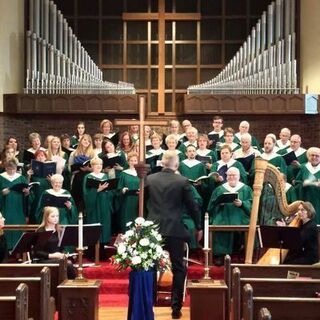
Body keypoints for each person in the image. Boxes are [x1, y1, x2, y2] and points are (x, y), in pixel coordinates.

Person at [145, 150, 202, 319]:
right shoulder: (182, 181)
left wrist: (142, 224)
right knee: (178, 268)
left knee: (150, 268)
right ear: (176, 165)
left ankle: (149, 304)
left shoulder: (150, 179)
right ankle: (176, 308)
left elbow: (140, 204)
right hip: (175, 230)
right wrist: (198, 226)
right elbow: (193, 206)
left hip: (153, 230)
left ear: (162, 163)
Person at [207, 167, 253, 265]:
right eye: (229, 175)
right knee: (218, 222)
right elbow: (211, 205)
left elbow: (252, 204)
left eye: (234, 175)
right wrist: (219, 203)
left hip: (240, 215)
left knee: (245, 224)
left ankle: (243, 253)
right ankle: (221, 255)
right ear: (226, 177)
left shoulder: (246, 189)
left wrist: (242, 204)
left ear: (239, 176)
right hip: (222, 214)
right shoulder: (219, 189)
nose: (232, 177)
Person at [33, 206, 76, 278]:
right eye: (53, 216)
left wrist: (64, 254)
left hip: (57, 259)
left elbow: (61, 248)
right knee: (68, 264)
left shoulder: (59, 230)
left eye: (57, 216)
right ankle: (71, 286)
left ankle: (69, 285)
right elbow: (37, 252)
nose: (56, 218)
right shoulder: (41, 231)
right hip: (44, 260)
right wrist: (53, 255)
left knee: (69, 262)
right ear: (46, 217)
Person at [83, 158, 113, 259]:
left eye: (100, 164)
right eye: (96, 165)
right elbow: (86, 193)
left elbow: (111, 191)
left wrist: (108, 191)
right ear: (92, 166)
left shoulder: (105, 176)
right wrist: (97, 190)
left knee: (104, 226)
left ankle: (102, 252)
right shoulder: (88, 177)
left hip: (104, 204)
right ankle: (91, 253)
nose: (99, 166)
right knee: (94, 226)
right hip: (94, 206)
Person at [0, 160, 29, 249]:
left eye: (13, 169)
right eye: (9, 169)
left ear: (16, 168)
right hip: (5, 207)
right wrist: (2, 193)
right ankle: (5, 250)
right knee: (6, 227)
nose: (12, 171)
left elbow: (28, 196)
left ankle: (18, 250)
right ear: (5, 168)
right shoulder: (1, 178)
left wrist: (27, 193)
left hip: (19, 208)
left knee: (18, 227)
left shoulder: (21, 178)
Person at [68, 134, 95, 210]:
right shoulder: (74, 153)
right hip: (77, 178)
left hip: (88, 178)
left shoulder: (93, 154)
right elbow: (70, 167)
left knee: (86, 199)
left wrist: (88, 169)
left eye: (89, 141)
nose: (87, 142)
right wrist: (73, 171)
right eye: (85, 140)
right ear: (81, 140)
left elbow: (96, 167)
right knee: (77, 199)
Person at [295, 147, 320, 224]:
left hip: (318, 201)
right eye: (312, 155)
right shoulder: (303, 167)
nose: (314, 157)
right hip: (305, 199)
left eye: (317, 156)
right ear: (308, 156)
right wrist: (302, 184)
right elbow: (296, 183)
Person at [117, 152, 140, 233]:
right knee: (127, 220)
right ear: (128, 162)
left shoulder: (141, 173)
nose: (133, 162)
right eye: (131, 160)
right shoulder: (124, 173)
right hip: (127, 200)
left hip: (138, 200)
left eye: (135, 160)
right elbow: (119, 187)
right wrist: (122, 190)